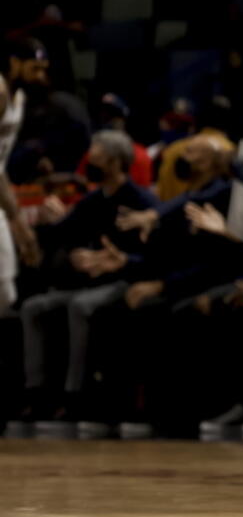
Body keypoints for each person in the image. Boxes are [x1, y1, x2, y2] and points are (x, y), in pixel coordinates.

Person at [18, 130, 156, 425]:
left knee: (80, 306)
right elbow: (63, 233)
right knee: (33, 307)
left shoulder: (142, 201)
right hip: (88, 282)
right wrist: (49, 228)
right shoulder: (94, 200)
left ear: (117, 163)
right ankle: (35, 391)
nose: (89, 165)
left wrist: (116, 263)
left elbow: (156, 259)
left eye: (97, 160)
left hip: (125, 281)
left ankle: (74, 395)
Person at [5, 37, 91, 183]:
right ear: (15, 63)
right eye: (35, 68)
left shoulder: (32, 101)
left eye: (43, 69)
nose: (40, 76)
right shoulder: (4, 93)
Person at [1, 74, 38, 312]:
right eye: (34, 68)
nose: (40, 75)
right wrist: (18, 222)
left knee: (5, 291)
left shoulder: (20, 97)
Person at [75, 94, 153, 187]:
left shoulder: (140, 156)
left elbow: (141, 193)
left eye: (113, 115)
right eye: (104, 116)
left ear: (123, 120)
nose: (108, 120)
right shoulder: (92, 154)